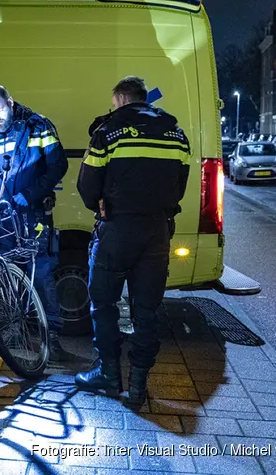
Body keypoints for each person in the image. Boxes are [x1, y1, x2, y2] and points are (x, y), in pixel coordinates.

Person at [74, 76, 190, 409]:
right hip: (157, 232)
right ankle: (139, 384)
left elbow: (86, 188)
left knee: (103, 303)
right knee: (147, 310)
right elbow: (179, 187)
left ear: (123, 99)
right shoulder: (176, 134)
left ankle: (109, 375)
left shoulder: (108, 132)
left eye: (114, 104)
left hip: (117, 230)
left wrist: (104, 202)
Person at [0, 85, 69, 360]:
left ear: (10, 102)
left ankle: (51, 337)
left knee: (41, 274)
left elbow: (59, 166)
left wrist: (30, 195)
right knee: (5, 273)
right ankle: (10, 330)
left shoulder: (38, 126)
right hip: (0, 218)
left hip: (32, 215)